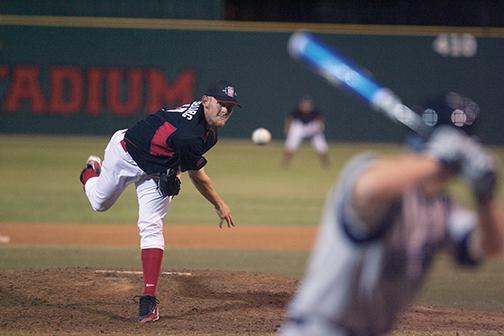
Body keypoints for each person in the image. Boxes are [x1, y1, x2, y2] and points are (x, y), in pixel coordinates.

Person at [279, 92, 504, 336]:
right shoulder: (367, 169)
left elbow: (487, 246)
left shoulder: (443, 208)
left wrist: (485, 198)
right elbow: (370, 189)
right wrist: (436, 161)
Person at [79, 80, 240, 324]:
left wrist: (172, 169)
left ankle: (148, 298)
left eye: (230, 106)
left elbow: (175, 145)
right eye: (222, 103)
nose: (226, 110)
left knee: (151, 225)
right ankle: (92, 170)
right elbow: (197, 175)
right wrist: (219, 203)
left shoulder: (206, 127)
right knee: (99, 203)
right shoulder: (190, 135)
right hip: (126, 155)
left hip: (157, 169)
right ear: (206, 101)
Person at [282, 95, 330, 167]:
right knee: (291, 144)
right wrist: (287, 128)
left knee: (321, 145)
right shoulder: (297, 110)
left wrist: (319, 128)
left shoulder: (315, 111)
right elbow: (289, 119)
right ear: (301, 104)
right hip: (299, 127)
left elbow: (320, 121)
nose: (305, 106)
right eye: (304, 104)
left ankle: (325, 163)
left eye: (307, 104)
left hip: (312, 127)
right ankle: (285, 163)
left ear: (311, 105)